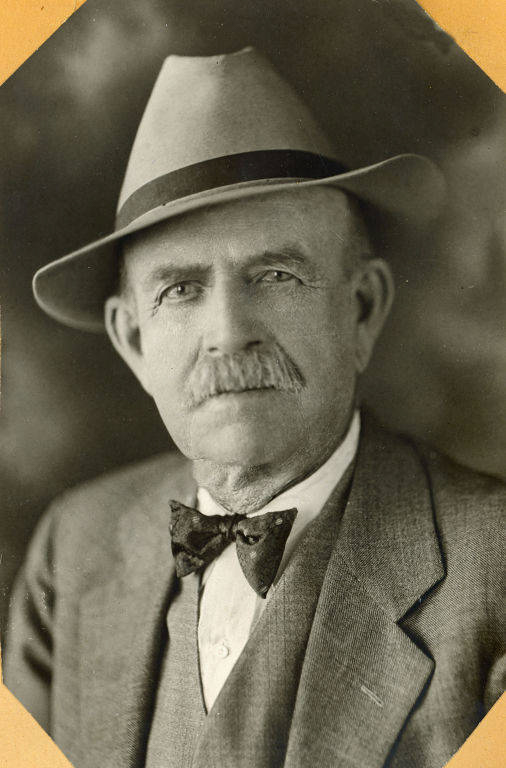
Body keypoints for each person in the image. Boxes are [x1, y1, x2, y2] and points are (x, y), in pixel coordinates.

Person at [4, 48, 504, 768]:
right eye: (180, 289)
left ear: (362, 310)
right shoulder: (72, 551)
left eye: (275, 273)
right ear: (133, 341)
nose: (229, 331)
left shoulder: (494, 572)